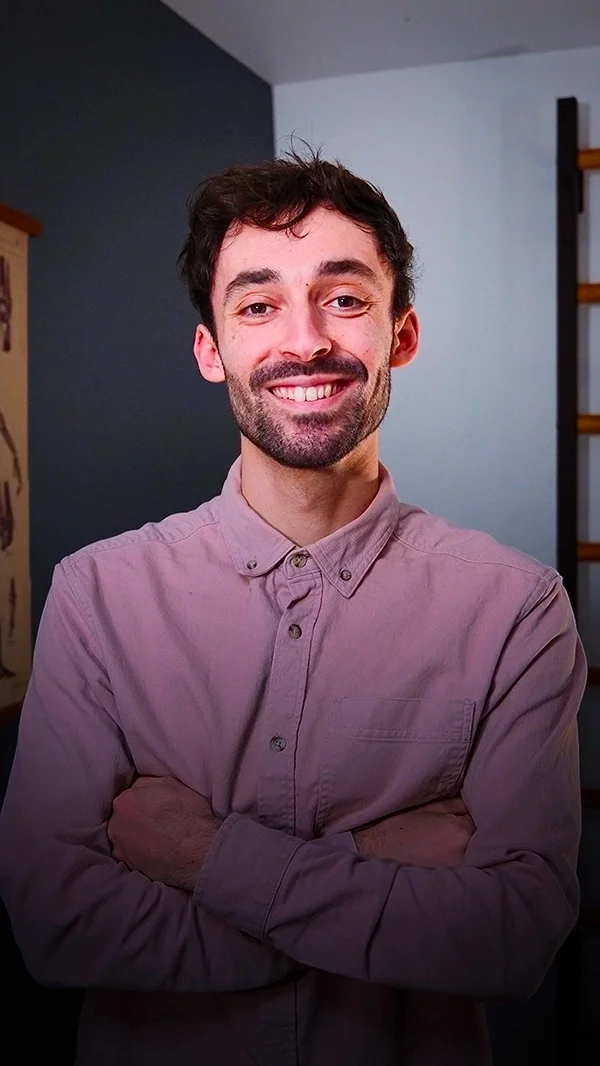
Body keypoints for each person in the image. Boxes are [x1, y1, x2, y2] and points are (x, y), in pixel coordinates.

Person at [0, 151, 586, 1066]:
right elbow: (55, 923)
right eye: (258, 303)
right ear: (211, 349)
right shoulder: (94, 594)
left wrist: (199, 857)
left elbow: (511, 937)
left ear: (402, 334)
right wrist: (374, 885)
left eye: (345, 298)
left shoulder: (516, 608)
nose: (304, 340)